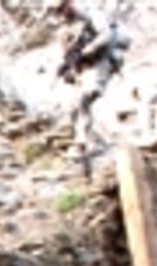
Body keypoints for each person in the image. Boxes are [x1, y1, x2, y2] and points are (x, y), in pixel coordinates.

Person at [54, 0, 130, 157]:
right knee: (73, 106)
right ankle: (87, 141)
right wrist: (66, 68)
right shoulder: (64, 30)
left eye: (63, 7)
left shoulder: (91, 15)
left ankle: (86, 142)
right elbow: (67, 55)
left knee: (86, 96)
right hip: (83, 69)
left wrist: (87, 51)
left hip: (100, 62)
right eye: (58, 10)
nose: (61, 13)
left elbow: (106, 36)